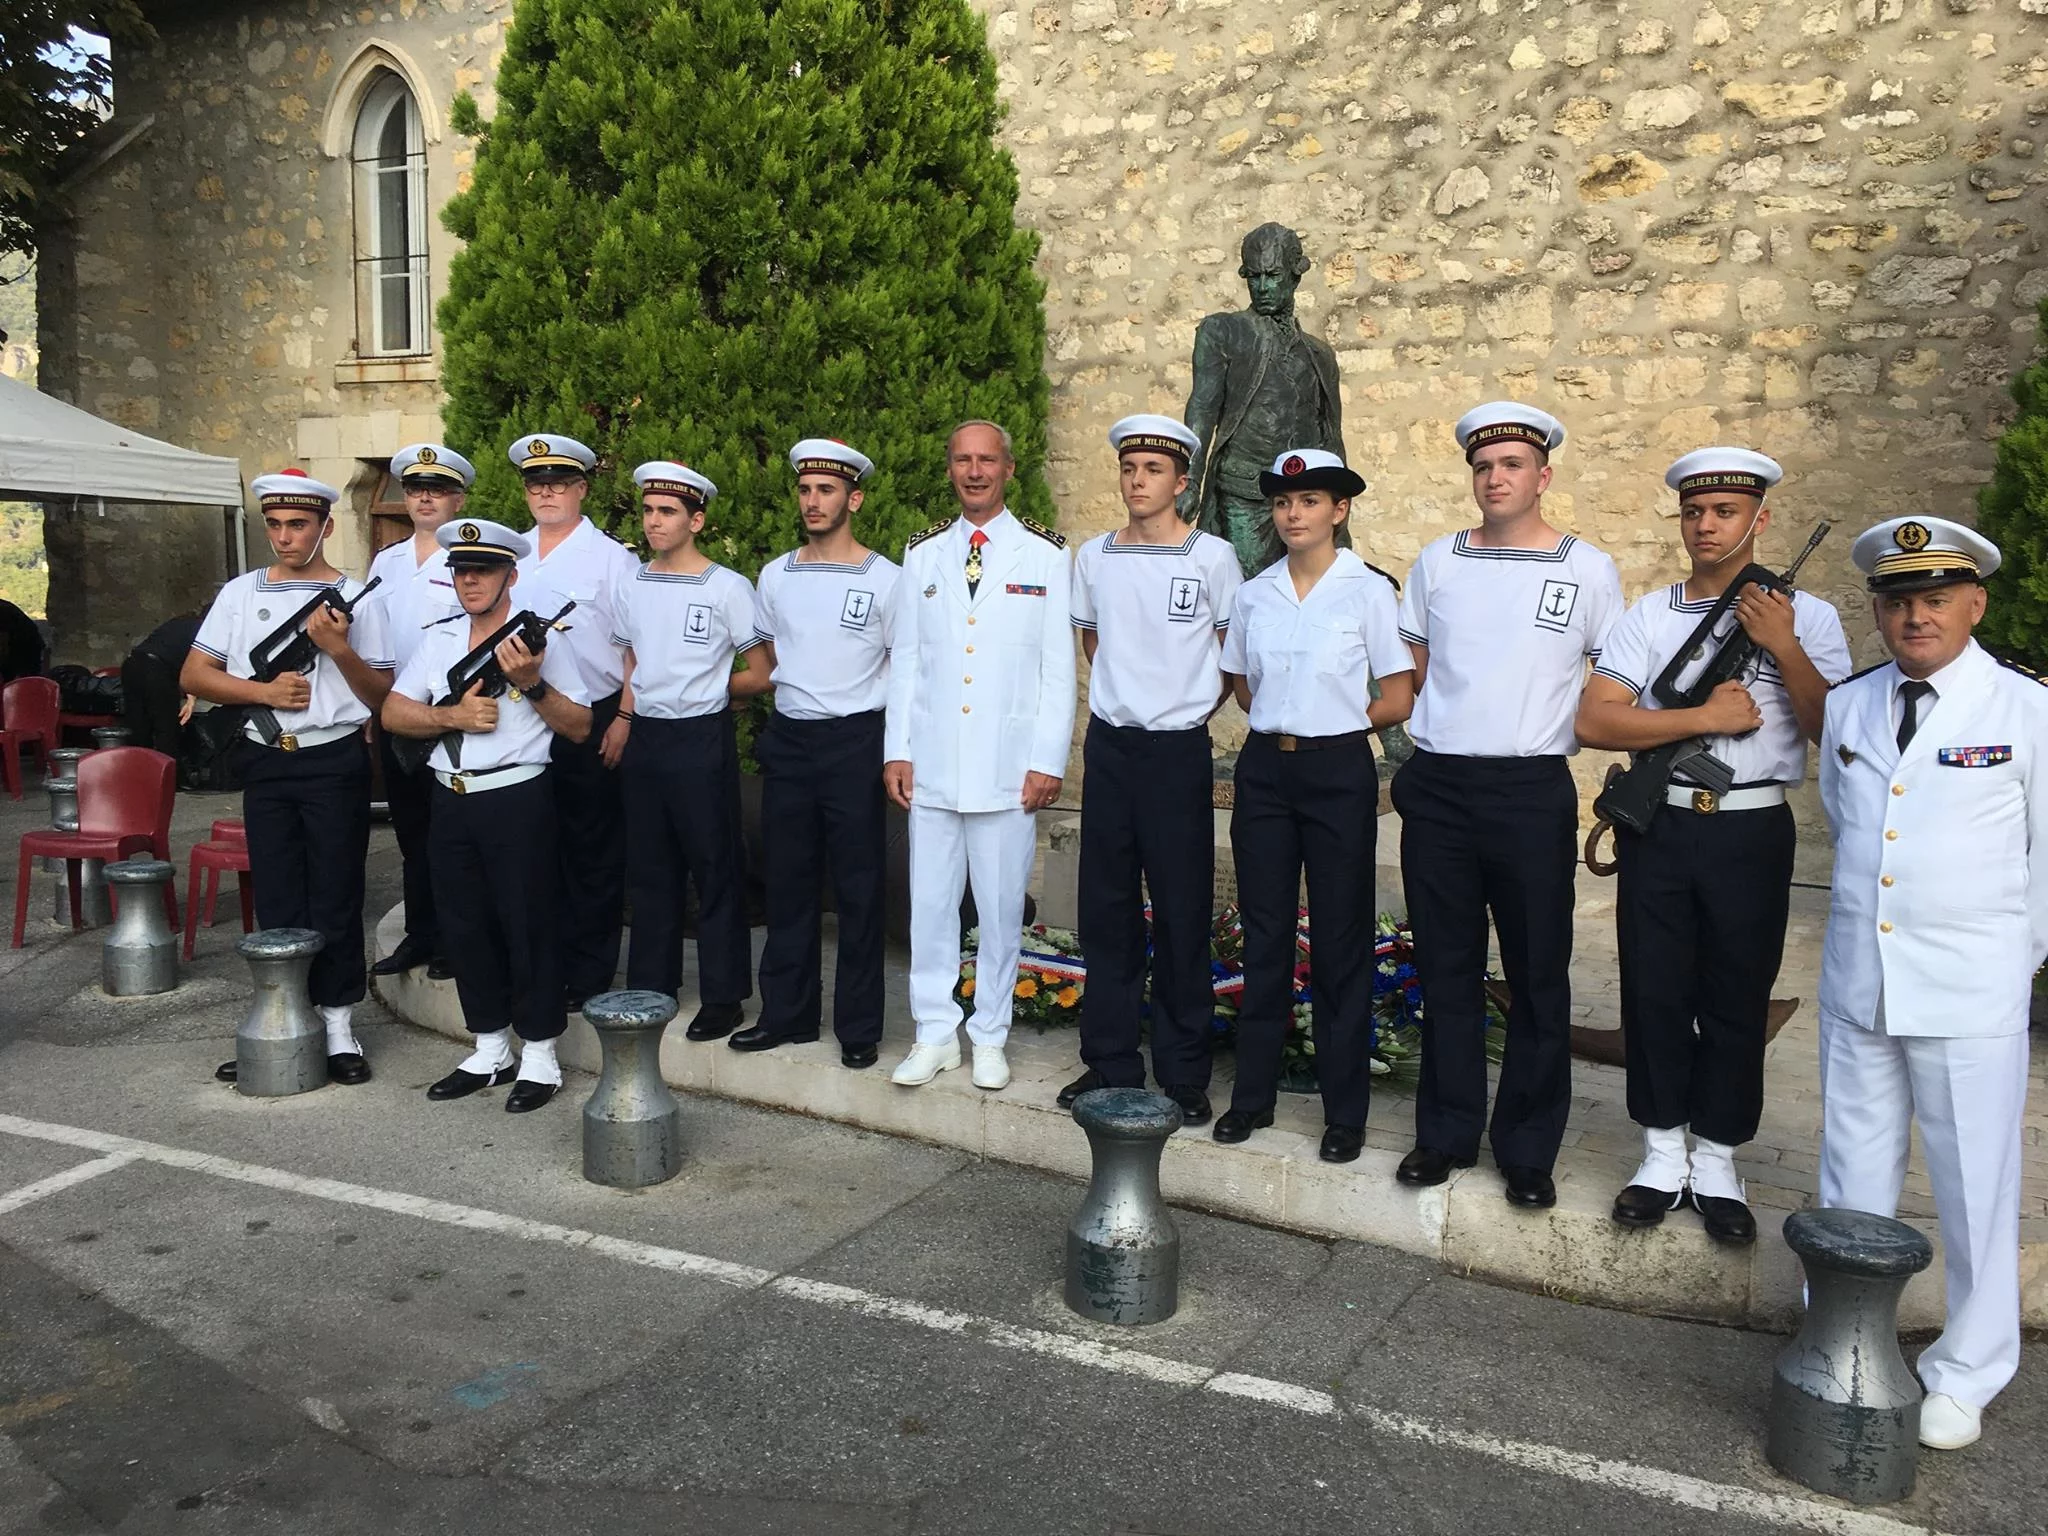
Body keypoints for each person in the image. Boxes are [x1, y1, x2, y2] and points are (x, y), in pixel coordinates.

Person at [1575, 449, 1850, 1243]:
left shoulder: (1813, 617)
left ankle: (1720, 1157)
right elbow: (1597, 721)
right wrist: (1701, 719)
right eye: (1695, 512)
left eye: (1725, 512)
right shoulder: (1650, 616)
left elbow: (1831, 727)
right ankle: (1661, 1153)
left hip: (1752, 826)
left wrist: (1785, 646)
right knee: (1656, 988)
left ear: (1759, 520)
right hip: (1663, 823)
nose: (1706, 526)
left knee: (1736, 994)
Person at [1816, 514, 2048, 1452]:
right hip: (1863, 977)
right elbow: (1853, 824)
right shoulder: (1852, 704)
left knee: (1974, 1184)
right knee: (1852, 1174)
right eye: (1899, 600)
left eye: (1936, 599)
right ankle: (1846, 1340)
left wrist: (2016, 961)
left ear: (1975, 604)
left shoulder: (2025, 709)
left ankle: (1968, 1367)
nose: (1916, 617)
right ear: (1879, 609)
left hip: (1969, 984)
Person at [1391, 403, 1623, 1209]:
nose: (1496, 478)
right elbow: (1415, 666)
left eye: (1513, 465)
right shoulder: (1438, 562)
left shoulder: (1587, 569)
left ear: (1542, 475)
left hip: (1529, 791)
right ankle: (1446, 1134)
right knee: (1446, 968)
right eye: (1484, 466)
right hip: (1443, 785)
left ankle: (1527, 1148)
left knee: (1536, 973)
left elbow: (1604, 683)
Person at [1215, 449, 1414, 1157]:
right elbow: (1241, 683)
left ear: (1340, 510)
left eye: (1309, 501)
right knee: (1264, 936)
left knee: (1339, 940)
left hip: (1338, 770)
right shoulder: (1255, 592)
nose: (1293, 514)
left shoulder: (1368, 591)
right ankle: (1252, 1099)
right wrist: (1288, 715)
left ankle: (1344, 1114)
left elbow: (1398, 692)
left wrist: (1336, 716)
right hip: (1268, 769)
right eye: (1282, 503)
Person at [1058, 414, 1242, 1125]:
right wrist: (1128, 699)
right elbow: (1093, 640)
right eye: (1130, 469)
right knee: (1105, 912)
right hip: (1111, 748)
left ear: (1181, 481)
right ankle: (1107, 1060)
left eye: (1154, 471)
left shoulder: (1213, 557)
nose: (1139, 482)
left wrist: (1180, 705)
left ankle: (1183, 1070)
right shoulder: (1095, 556)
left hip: (1176, 751)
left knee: (1181, 908)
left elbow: (1229, 656)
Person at [183, 470, 392, 1086]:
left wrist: (340, 649)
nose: (284, 536)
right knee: (276, 894)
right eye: (273, 524)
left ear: (326, 526)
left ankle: (336, 1025)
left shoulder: (360, 595)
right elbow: (195, 675)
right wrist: (262, 691)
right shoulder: (241, 593)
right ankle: (279, 1017)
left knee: (335, 892)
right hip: (267, 757)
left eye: (297, 524)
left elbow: (382, 692)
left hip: (333, 758)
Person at [884, 421, 1075, 1091]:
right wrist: (897, 749)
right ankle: (935, 1033)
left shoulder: (1047, 557)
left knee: (998, 913)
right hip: (933, 765)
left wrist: (1048, 759)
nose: (974, 471)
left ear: (1008, 469)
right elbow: (907, 659)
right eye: (962, 460)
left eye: (986, 460)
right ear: (949, 469)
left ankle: (989, 1034)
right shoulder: (924, 554)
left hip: (1007, 769)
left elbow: (1058, 671)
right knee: (929, 909)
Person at [382, 518, 593, 1112]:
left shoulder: (538, 645)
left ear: (512, 576)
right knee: (465, 922)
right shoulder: (441, 638)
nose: (470, 580)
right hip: (449, 795)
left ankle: (542, 1055)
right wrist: (451, 718)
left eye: (484, 570)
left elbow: (579, 726)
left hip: (516, 796)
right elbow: (395, 713)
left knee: (528, 924)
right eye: (461, 570)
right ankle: (490, 1045)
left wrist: (531, 686)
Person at [734, 438, 899, 1069]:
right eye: (805, 490)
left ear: (853, 498)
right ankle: (788, 1014)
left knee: (859, 887)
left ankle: (858, 1027)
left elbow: (901, 665)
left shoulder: (886, 580)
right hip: (792, 739)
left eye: (826, 490)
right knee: (788, 882)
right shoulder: (775, 575)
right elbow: (769, 660)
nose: (813, 501)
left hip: (855, 740)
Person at [607, 461, 773, 1037]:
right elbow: (631, 659)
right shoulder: (630, 581)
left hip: (701, 737)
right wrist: (626, 718)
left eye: (668, 512)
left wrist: (707, 689)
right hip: (648, 736)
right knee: (650, 868)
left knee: (715, 864)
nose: (655, 522)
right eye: (649, 511)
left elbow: (764, 670)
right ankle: (654, 985)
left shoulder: (727, 586)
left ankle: (724, 996)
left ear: (695, 519)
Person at [509, 433, 639, 1011]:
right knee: (533, 847)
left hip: (594, 714)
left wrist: (627, 718)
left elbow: (638, 648)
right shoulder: (508, 555)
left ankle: (588, 971)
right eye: (536, 483)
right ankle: (542, 962)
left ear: (582, 488)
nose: (547, 492)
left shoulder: (614, 560)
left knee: (591, 849)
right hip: (520, 716)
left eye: (559, 482)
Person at [1181, 223, 1346, 576]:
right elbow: (1202, 407)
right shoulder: (1223, 331)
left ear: (1295, 276)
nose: (1263, 287)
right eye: (1254, 277)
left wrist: (1339, 509)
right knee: (1248, 590)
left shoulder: (1319, 354)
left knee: (1313, 587)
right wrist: (1190, 479)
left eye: (1272, 275)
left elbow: (1330, 435)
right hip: (1244, 490)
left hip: (1306, 496)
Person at [367, 443, 472, 982]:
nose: (424, 498)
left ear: (459, 498)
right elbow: (379, 647)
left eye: (437, 490)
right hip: (402, 711)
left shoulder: (471, 561)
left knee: (453, 837)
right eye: (414, 489)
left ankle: (458, 938)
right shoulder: (386, 562)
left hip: (454, 714)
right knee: (411, 835)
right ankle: (421, 932)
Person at [121, 610, 201, 754]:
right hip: (157, 670)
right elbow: (195, 665)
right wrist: (192, 697)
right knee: (167, 730)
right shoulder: (204, 630)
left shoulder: (179, 622)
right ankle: (169, 771)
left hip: (132, 664)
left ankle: (136, 768)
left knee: (137, 727)